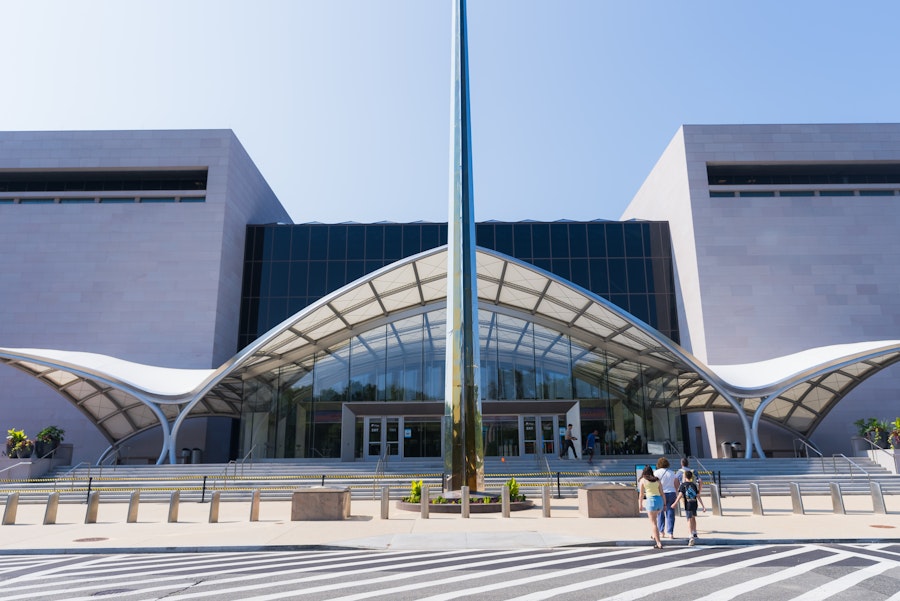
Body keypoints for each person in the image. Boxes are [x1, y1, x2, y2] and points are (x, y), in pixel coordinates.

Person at [671, 469, 705, 545]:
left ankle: (690, 535)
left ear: (685, 476)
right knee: (693, 518)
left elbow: (680, 495)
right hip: (694, 503)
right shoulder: (694, 485)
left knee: (689, 519)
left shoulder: (683, 485)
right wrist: (703, 506)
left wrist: (675, 503)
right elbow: (698, 496)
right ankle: (695, 532)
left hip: (688, 504)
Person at [637, 465, 664, 549]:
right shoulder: (657, 480)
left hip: (651, 501)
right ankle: (654, 534)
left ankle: (658, 542)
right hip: (659, 501)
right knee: (655, 519)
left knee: (653, 523)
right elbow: (662, 493)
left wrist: (640, 504)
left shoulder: (643, 480)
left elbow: (641, 494)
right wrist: (665, 503)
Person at [654, 457, 680, 539]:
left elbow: (655, 484)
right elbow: (676, 484)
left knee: (660, 513)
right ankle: (670, 533)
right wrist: (676, 493)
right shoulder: (672, 473)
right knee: (670, 513)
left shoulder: (656, 473)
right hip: (671, 493)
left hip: (661, 493)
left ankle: (661, 532)